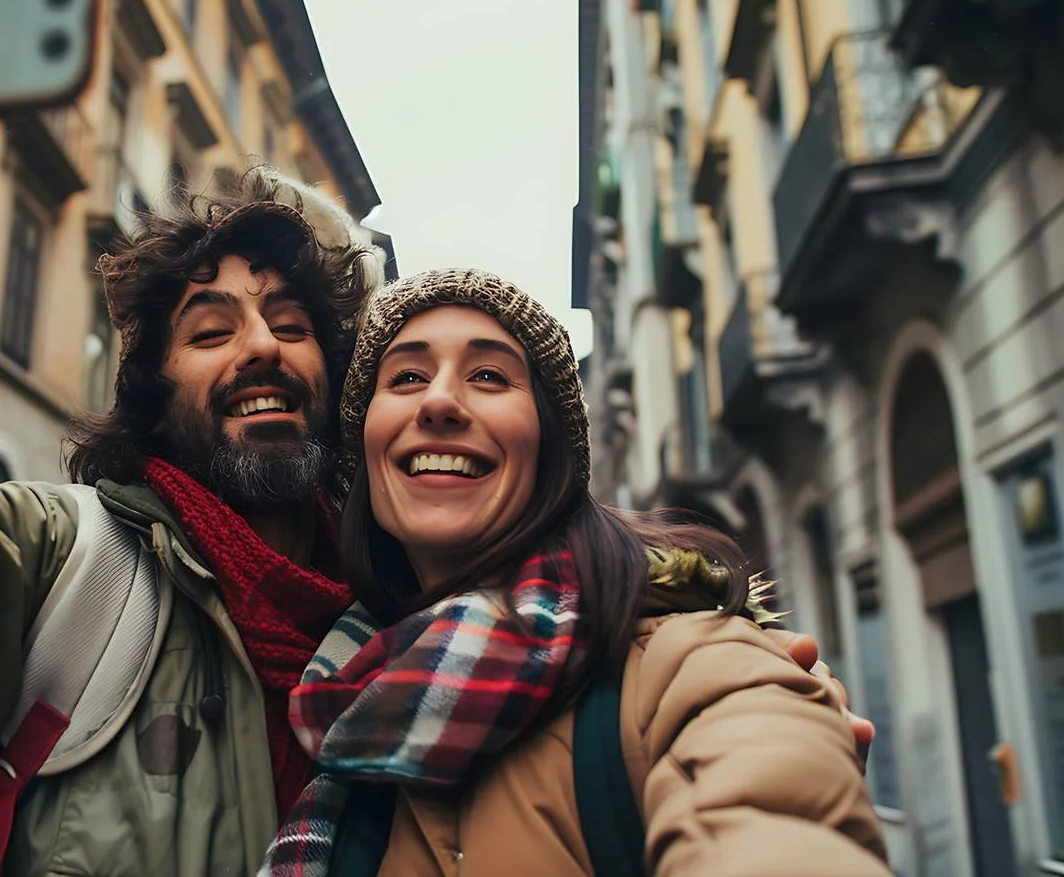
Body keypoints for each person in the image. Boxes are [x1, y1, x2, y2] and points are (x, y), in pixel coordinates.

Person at [0, 0, 867, 875]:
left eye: (291, 320)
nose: (259, 346)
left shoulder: (446, 628)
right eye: (208, 328)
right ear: (150, 387)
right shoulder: (44, 577)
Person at [260, 268, 889, 876]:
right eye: (406, 377)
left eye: (488, 375)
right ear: (366, 444)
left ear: (551, 446)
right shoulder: (338, 695)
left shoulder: (696, 665)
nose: (440, 400)